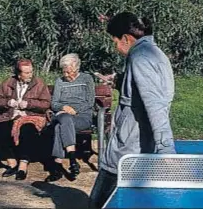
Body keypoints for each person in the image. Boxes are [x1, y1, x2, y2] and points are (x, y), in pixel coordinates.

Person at [89, 12, 176, 209]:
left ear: (126, 38)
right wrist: (119, 80)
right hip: (136, 148)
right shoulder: (154, 53)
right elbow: (144, 90)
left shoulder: (141, 57)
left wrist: (166, 149)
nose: (115, 46)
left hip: (127, 151)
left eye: (115, 41)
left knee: (98, 203)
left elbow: (155, 104)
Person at [0, 59, 50, 180]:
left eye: (31, 72)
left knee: (27, 131)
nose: (30, 75)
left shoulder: (39, 83)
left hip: (30, 116)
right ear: (18, 74)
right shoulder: (8, 82)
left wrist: (29, 104)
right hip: (10, 116)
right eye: (26, 73)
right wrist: (8, 102)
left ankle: (23, 166)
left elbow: (46, 104)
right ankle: (12, 163)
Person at [46, 53, 96, 182]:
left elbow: (90, 102)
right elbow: (54, 103)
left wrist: (75, 110)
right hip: (63, 114)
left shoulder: (87, 79)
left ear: (77, 68)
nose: (67, 75)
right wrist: (64, 108)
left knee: (59, 127)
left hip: (82, 116)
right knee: (64, 119)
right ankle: (72, 160)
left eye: (70, 72)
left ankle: (57, 165)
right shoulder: (59, 81)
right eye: (65, 72)